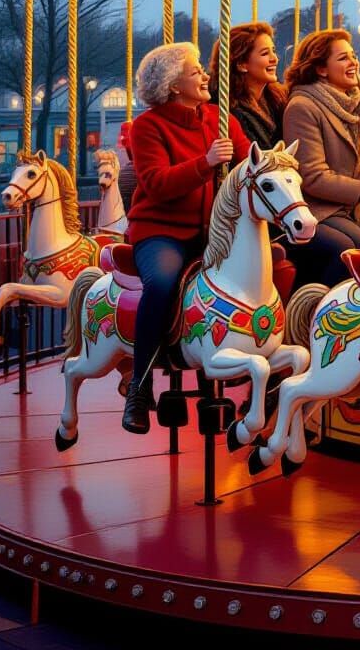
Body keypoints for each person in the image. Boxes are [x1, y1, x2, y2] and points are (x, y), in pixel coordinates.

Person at [122, 43, 250, 434]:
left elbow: (250, 163)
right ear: (173, 85)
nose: (205, 75)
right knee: (162, 284)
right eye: (196, 71)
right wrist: (205, 163)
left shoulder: (219, 118)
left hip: (213, 230)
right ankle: (140, 386)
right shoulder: (148, 127)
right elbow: (157, 184)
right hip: (162, 229)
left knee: (270, 265)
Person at [283, 30, 360, 288]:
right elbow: (312, 176)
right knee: (355, 250)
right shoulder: (303, 107)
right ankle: (322, 306)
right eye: (343, 58)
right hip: (318, 207)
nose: (354, 62)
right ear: (321, 69)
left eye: (353, 56)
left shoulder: (358, 102)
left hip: (350, 204)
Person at [208, 21, 286, 150]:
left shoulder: (277, 99)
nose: (275, 59)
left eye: (273, 51)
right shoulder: (225, 109)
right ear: (241, 64)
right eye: (265, 53)